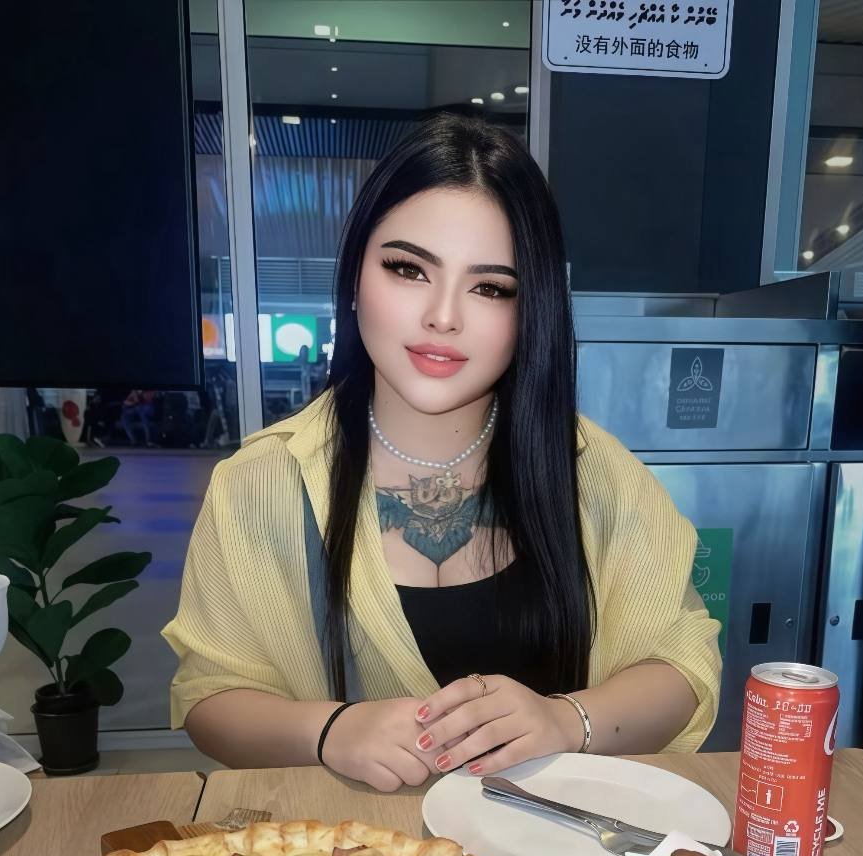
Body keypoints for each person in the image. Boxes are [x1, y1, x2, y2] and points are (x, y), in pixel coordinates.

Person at [163, 114, 721, 791]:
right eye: (408, 269)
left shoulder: (593, 472)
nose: (444, 316)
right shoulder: (261, 483)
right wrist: (329, 730)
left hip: (551, 845)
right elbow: (210, 697)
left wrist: (566, 720)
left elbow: (682, 663)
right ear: (355, 275)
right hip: (345, 848)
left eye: (491, 287)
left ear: (532, 309)